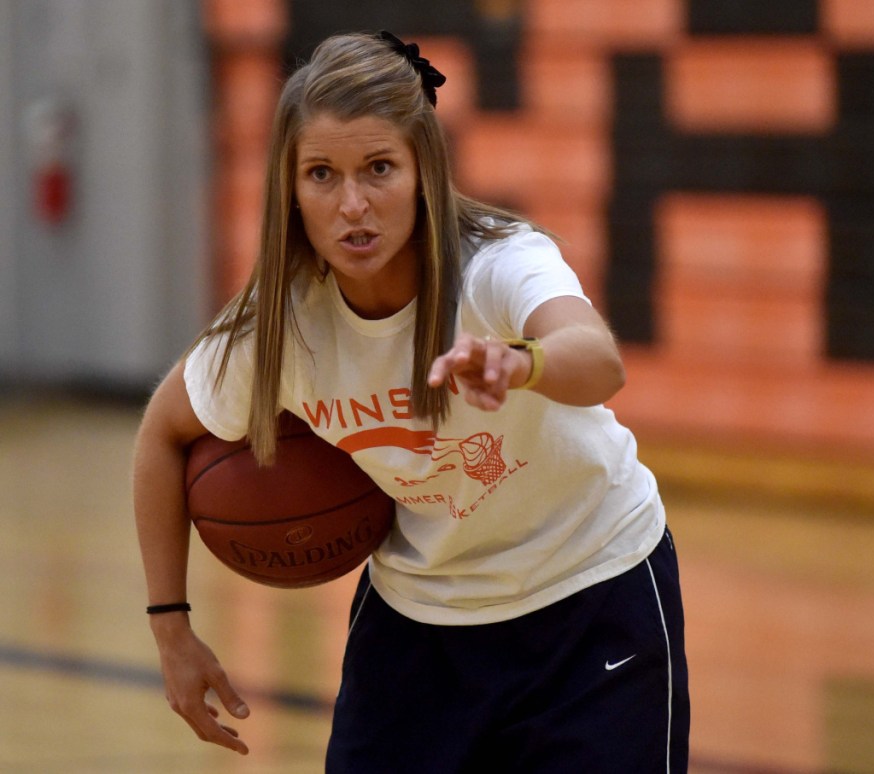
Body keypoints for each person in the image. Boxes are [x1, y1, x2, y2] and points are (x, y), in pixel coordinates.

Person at [133, 30, 689, 772]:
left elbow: (599, 362)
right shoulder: (279, 327)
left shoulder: (497, 265)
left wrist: (521, 364)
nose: (352, 204)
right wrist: (172, 629)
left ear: (424, 170)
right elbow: (162, 437)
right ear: (289, 190)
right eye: (322, 174)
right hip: (420, 626)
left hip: (592, 596)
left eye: (379, 169)